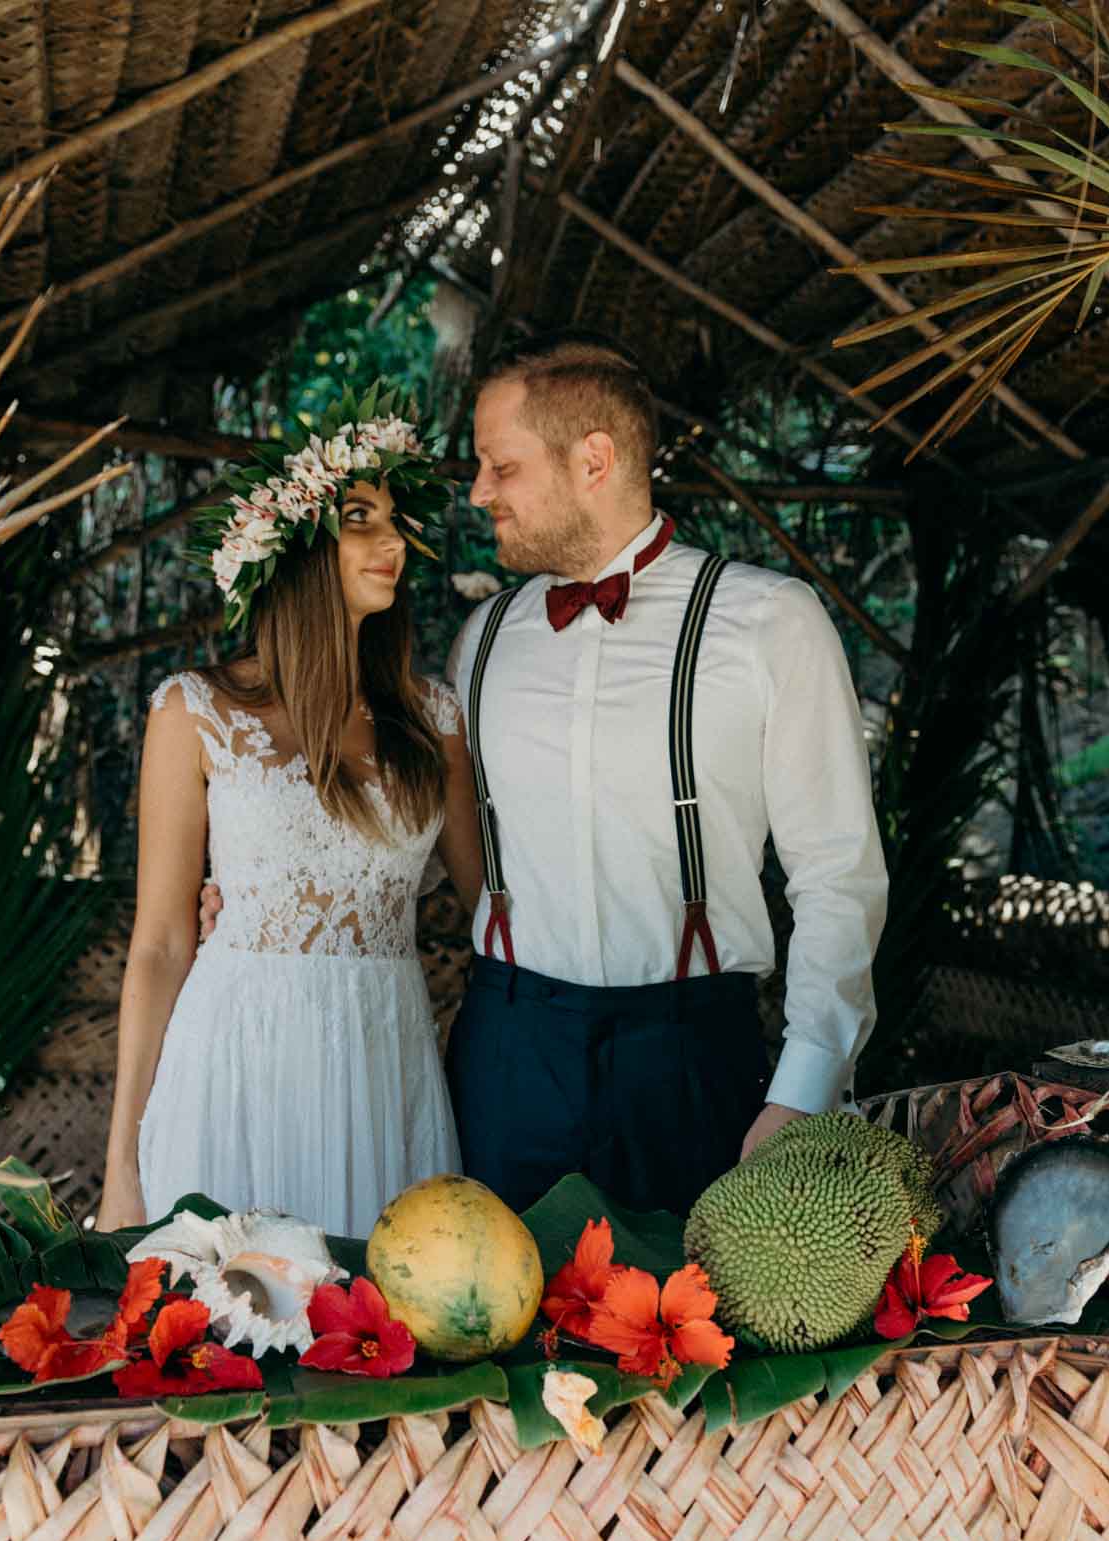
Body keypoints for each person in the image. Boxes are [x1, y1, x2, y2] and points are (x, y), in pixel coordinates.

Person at [444, 333, 888, 1216]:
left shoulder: (769, 623)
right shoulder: (481, 640)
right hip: (507, 1052)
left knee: (695, 1341)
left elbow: (839, 877)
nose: (479, 491)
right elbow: (430, 835)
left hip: (691, 1055)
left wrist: (799, 1090)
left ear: (593, 460)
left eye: (501, 465)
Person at [97, 388, 483, 1235]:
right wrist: (121, 1164)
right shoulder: (193, 713)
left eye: (397, 523)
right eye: (361, 518)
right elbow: (161, 942)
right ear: (296, 549)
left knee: (380, 1338)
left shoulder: (434, 720)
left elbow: (498, 903)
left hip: (384, 1059)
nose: (394, 544)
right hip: (235, 1059)